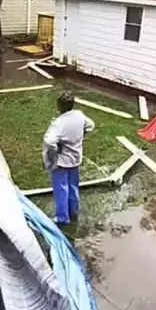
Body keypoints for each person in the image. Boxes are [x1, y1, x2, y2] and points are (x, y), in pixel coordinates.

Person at [43, 93, 95, 226]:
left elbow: (49, 141)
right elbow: (91, 125)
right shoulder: (79, 115)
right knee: (73, 186)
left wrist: (56, 149)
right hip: (75, 157)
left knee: (61, 189)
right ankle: (74, 211)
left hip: (61, 160)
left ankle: (62, 218)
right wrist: (81, 136)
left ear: (59, 106)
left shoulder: (59, 123)